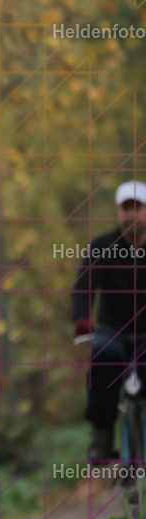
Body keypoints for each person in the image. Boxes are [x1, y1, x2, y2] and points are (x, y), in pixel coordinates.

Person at [75, 180, 146, 462]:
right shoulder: (102, 247)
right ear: (118, 212)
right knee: (103, 355)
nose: (131, 214)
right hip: (112, 331)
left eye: (137, 207)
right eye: (126, 208)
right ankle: (101, 436)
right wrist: (82, 318)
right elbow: (84, 287)